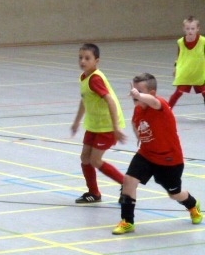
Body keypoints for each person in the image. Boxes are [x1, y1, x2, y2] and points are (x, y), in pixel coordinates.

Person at [112, 73, 202, 234]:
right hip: (146, 154)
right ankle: (127, 221)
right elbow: (134, 121)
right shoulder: (139, 109)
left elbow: (153, 102)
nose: (134, 94)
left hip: (169, 159)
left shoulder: (160, 105)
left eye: (139, 91)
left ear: (152, 93)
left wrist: (140, 96)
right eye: (133, 90)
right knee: (129, 180)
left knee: (174, 194)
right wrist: (138, 135)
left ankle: (192, 204)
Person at [71, 43, 126, 203]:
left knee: (95, 160)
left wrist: (116, 127)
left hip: (106, 126)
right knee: (85, 158)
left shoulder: (95, 79)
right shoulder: (84, 77)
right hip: (94, 124)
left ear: (97, 61)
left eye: (87, 58)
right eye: (80, 58)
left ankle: (126, 185)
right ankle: (94, 193)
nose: (83, 61)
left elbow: (110, 101)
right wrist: (76, 122)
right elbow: (85, 100)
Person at [167, 16, 205, 109]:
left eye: (192, 28)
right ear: (184, 29)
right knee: (178, 92)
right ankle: (167, 110)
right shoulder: (180, 42)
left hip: (199, 73)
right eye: (188, 28)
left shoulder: (203, 41)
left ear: (197, 29)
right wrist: (176, 68)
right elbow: (179, 56)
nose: (190, 31)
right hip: (185, 72)